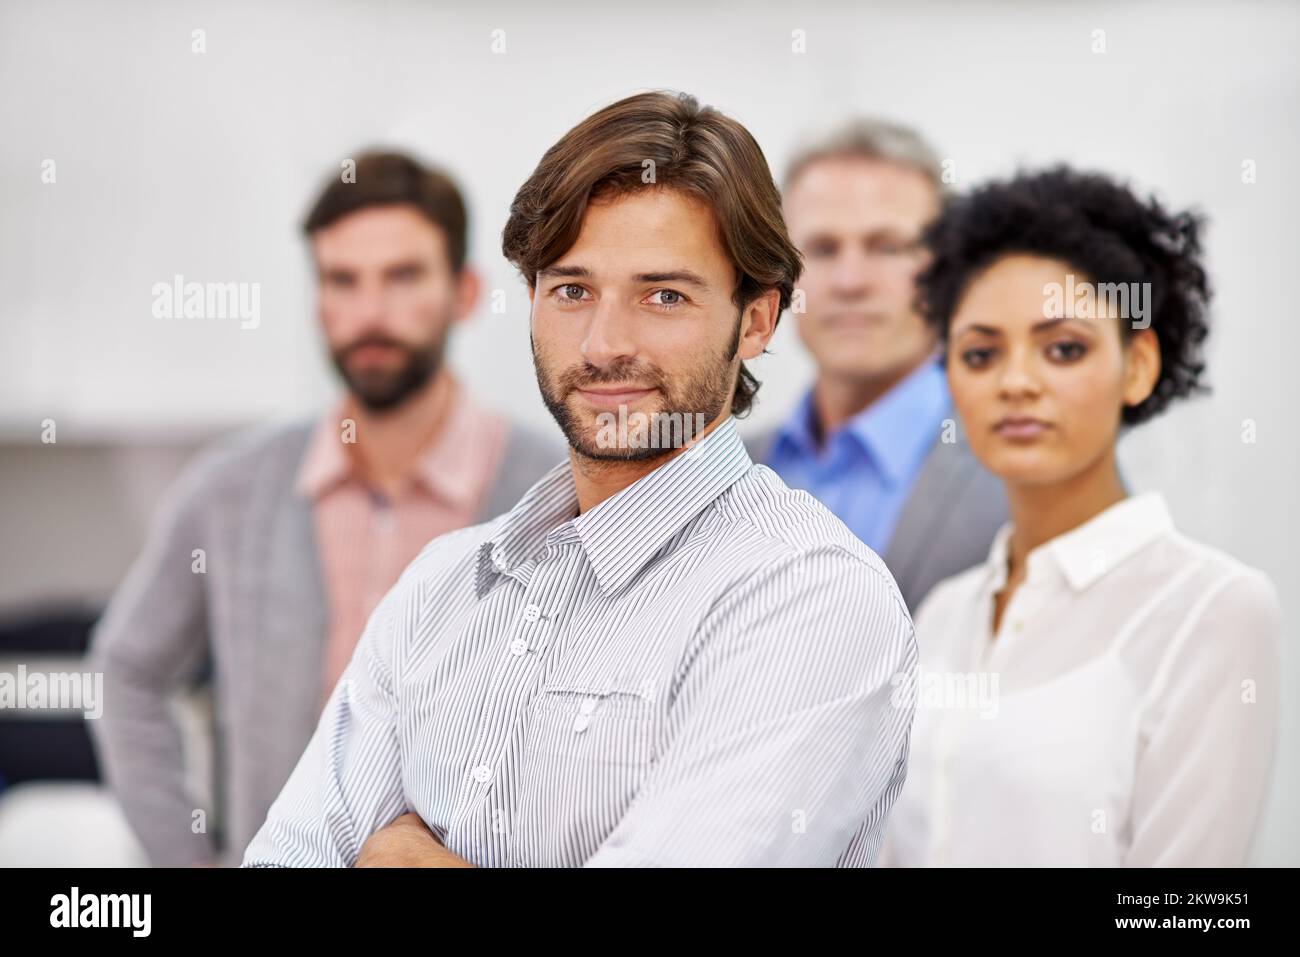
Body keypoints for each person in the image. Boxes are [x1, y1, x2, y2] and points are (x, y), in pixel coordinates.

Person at [243, 91, 917, 868]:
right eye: (571, 290)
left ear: (757, 320)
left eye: (664, 295)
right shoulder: (441, 587)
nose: (603, 343)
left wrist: (409, 857)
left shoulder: (811, 600)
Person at [89, 152, 560, 867]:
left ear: (463, 293)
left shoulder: (550, 491)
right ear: (318, 301)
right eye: (343, 280)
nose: (369, 312)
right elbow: (125, 669)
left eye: (403, 277)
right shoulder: (232, 487)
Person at [884, 167, 1281, 866]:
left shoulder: (1212, 610)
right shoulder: (943, 612)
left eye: (1063, 347)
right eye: (980, 353)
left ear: (1138, 364)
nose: (1016, 382)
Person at [752, 120, 1005, 612]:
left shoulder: (1020, 470)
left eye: (887, 247)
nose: (850, 281)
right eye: (822, 249)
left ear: (948, 267)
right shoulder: (725, 470)